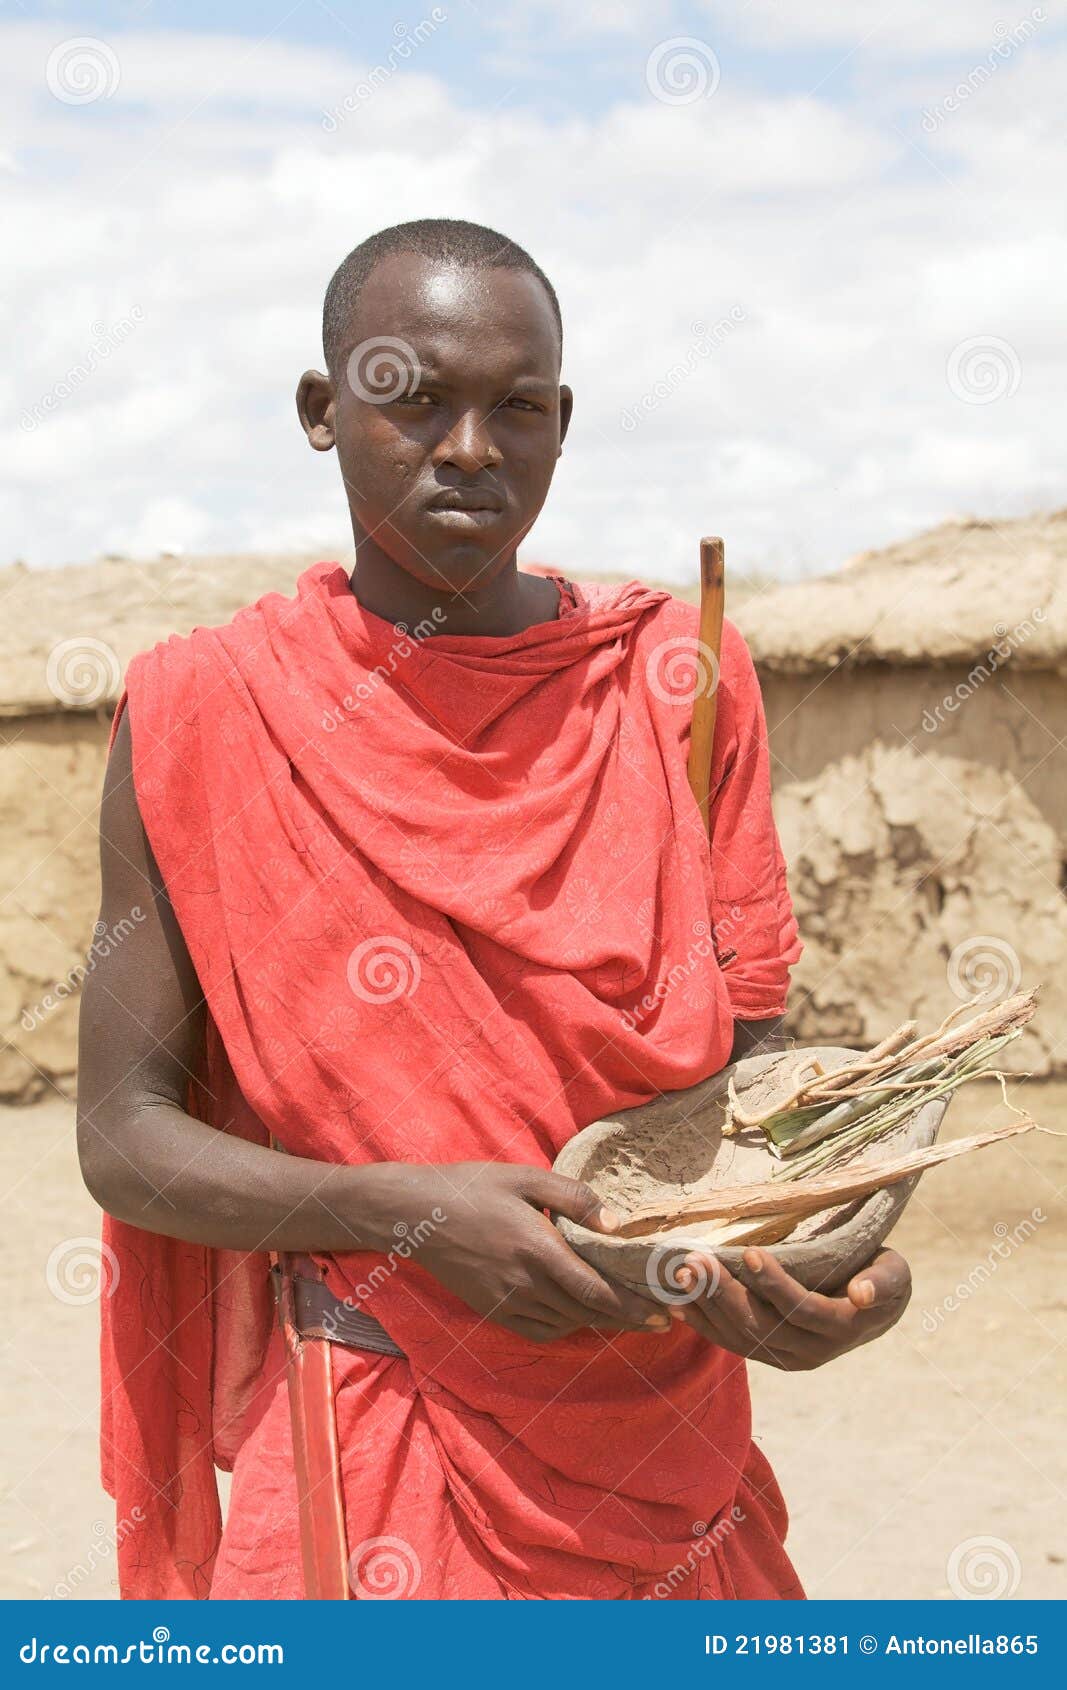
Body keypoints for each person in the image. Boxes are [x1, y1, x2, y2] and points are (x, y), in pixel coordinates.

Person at [78, 218, 912, 1601]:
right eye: (412, 394)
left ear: (561, 422)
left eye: (515, 406)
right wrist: (401, 1211)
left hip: (668, 1436)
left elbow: (756, 1086)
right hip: (379, 1431)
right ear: (320, 408)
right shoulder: (209, 712)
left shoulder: (678, 678)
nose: (468, 445)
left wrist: (843, 1273)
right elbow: (122, 1136)